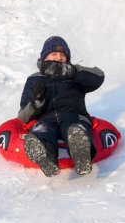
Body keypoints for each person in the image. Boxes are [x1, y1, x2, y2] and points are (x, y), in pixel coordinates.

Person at [18, 36, 105, 177]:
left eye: (63, 55)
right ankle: (46, 158)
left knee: (76, 129)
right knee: (42, 130)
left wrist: (73, 72)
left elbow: (99, 77)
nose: (59, 58)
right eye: (54, 54)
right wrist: (35, 104)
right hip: (46, 119)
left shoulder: (75, 74)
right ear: (44, 57)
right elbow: (22, 117)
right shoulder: (34, 79)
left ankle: (82, 154)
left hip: (73, 116)